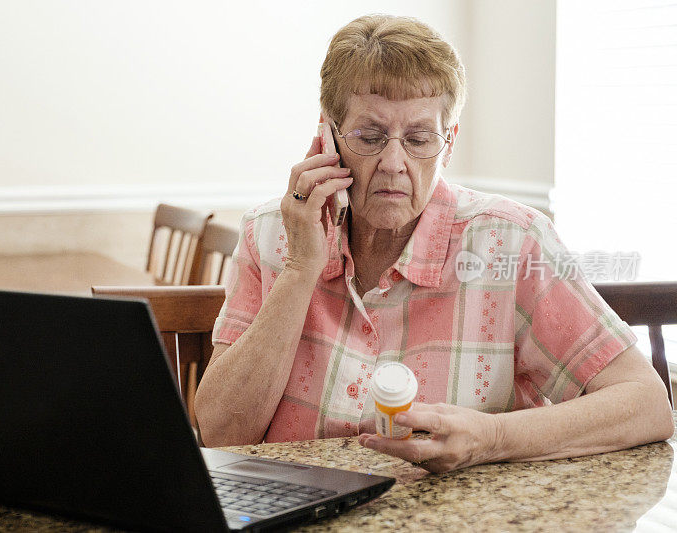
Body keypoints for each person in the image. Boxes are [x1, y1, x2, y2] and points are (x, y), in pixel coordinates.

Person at [194, 15, 673, 473]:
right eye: (370, 135)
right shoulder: (271, 233)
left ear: (450, 142)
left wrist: (493, 437)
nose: (393, 163)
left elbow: (646, 404)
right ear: (327, 135)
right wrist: (300, 271)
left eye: (420, 138)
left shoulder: (510, 241)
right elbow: (218, 432)